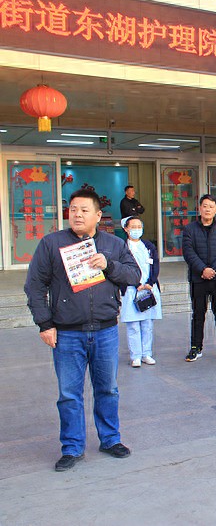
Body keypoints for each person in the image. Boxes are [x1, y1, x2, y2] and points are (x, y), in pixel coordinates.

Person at [24, 188, 141, 472]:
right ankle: (72, 447)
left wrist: (109, 265)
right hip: (67, 333)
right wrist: (45, 324)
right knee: (69, 394)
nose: (77, 214)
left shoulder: (113, 244)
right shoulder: (52, 244)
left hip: (105, 331)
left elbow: (133, 275)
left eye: (84, 210)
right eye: (73, 209)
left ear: (98, 216)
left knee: (108, 389)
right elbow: (35, 286)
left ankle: (110, 439)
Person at [182, 194, 216, 362]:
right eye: (205, 206)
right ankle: (196, 347)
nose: (207, 209)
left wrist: (213, 270)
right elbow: (188, 252)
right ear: (199, 208)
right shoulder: (189, 229)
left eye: (211, 206)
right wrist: (203, 269)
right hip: (198, 279)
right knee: (198, 314)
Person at [119, 216, 162, 367]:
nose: (137, 229)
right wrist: (135, 283)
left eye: (139, 226)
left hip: (148, 289)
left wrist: (150, 282)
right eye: (133, 226)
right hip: (132, 289)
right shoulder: (122, 247)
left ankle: (146, 354)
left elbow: (155, 264)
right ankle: (135, 356)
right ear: (126, 229)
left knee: (147, 324)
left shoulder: (148, 245)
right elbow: (121, 268)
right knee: (133, 325)